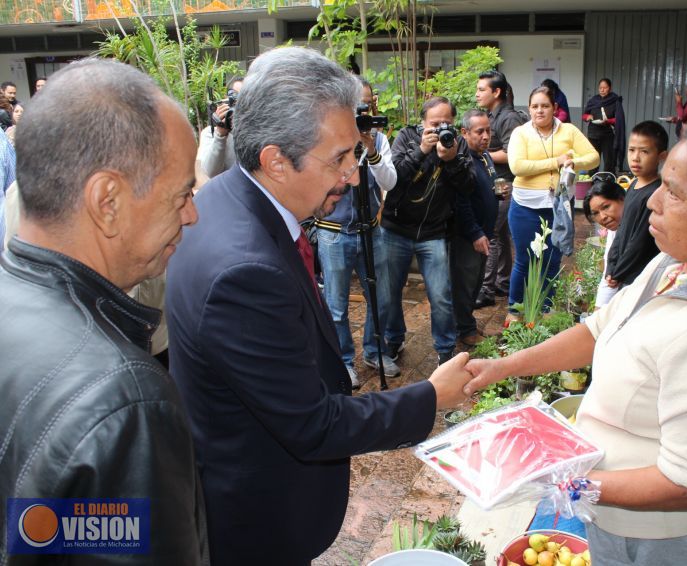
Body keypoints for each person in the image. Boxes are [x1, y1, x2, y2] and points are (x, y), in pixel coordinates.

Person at [165, 47, 472, 565]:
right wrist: (430, 398)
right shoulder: (244, 270)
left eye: (355, 153)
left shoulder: (224, 198)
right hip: (257, 524)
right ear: (275, 160)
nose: (353, 176)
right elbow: (312, 425)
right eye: (339, 159)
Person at [466, 123, 687, 566]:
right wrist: (503, 367)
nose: (652, 201)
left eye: (674, 192)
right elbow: (598, 329)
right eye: (661, 184)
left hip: (658, 538)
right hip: (614, 515)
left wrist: (566, 482)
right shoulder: (674, 264)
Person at [0, 58, 205, 563]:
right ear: (107, 200)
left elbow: (49, 536)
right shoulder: (123, 400)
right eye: (181, 194)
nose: (193, 214)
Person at [314, 77, 400, 386]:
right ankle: (344, 361)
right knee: (336, 305)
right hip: (335, 231)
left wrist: (371, 150)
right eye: (356, 105)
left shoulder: (378, 138)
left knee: (382, 297)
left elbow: (389, 182)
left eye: (367, 103)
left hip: (371, 229)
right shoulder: (328, 137)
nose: (363, 110)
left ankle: (374, 351)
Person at [382, 96, 476, 365]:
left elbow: (468, 186)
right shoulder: (406, 137)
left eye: (447, 122)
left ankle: (445, 350)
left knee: (440, 295)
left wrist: (452, 160)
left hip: (434, 232)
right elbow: (393, 180)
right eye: (435, 123)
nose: (441, 128)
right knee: (390, 292)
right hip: (396, 229)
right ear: (422, 122)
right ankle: (394, 340)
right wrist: (422, 151)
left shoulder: (457, 144)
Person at [507, 86, 599, 318]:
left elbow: (594, 157)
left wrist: (572, 162)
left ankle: (547, 310)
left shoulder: (568, 130)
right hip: (525, 206)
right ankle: (514, 310)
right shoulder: (521, 133)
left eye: (545, 106)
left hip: (559, 207)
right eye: (535, 106)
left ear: (555, 108)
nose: (540, 111)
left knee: (552, 261)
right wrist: (556, 161)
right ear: (528, 109)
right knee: (525, 260)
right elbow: (517, 167)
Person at [474, 70, 523, 309]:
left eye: (482, 89)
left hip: (505, 184)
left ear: (497, 92)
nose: (477, 94)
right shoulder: (491, 115)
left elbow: (511, 153)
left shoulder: (509, 118)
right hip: (496, 182)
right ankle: (503, 282)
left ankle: (486, 289)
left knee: (491, 234)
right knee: (501, 236)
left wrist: (480, 155)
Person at [451, 109, 499, 347]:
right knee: (465, 283)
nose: (486, 136)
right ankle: (465, 330)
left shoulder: (485, 156)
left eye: (488, 130)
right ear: (464, 132)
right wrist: (475, 233)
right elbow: (461, 202)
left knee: (476, 281)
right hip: (467, 236)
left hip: (484, 232)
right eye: (479, 131)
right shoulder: (463, 160)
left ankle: (466, 323)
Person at [605, 121, 668, 289]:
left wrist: (618, 272)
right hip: (624, 275)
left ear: (661, 157)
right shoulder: (633, 185)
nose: (635, 158)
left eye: (644, 151)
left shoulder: (656, 193)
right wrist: (611, 268)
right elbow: (622, 230)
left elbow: (639, 242)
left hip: (641, 279)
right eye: (631, 150)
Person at [582, 175, 625, 309]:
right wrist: (597, 314)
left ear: (622, 199)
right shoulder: (614, 231)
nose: (603, 217)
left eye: (606, 207)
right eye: (595, 213)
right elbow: (608, 276)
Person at [196, 75, 243, 179]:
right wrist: (220, 134)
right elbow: (209, 172)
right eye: (235, 98)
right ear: (226, 100)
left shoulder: (256, 132)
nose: (239, 104)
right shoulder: (210, 133)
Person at [582, 78, 625, 173]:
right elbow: (584, 115)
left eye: (605, 88)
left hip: (608, 136)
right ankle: (592, 183)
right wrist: (587, 117)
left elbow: (619, 119)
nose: (602, 90)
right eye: (600, 88)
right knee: (593, 160)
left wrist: (608, 121)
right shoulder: (593, 100)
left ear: (609, 88)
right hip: (593, 134)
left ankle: (608, 183)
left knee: (609, 162)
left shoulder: (615, 101)